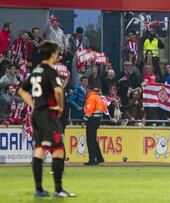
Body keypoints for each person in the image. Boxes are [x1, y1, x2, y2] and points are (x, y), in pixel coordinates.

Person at [17, 41, 75, 197]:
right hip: (48, 115)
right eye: (56, 53)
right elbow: (58, 91)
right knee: (58, 150)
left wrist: (33, 104)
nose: (57, 55)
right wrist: (61, 107)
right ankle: (58, 189)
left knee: (40, 149)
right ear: (51, 54)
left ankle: (39, 189)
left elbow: (21, 90)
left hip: (37, 114)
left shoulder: (35, 71)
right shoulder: (50, 71)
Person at [81, 87, 107, 165]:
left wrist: (84, 121)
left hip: (92, 120)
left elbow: (89, 111)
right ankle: (99, 158)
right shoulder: (98, 98)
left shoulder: (91, 98)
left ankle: (92, 160)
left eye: (86, 90)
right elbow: (104, 108)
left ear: (89, 90)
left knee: (90, 140)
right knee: (93, 140)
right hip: (98, 120)